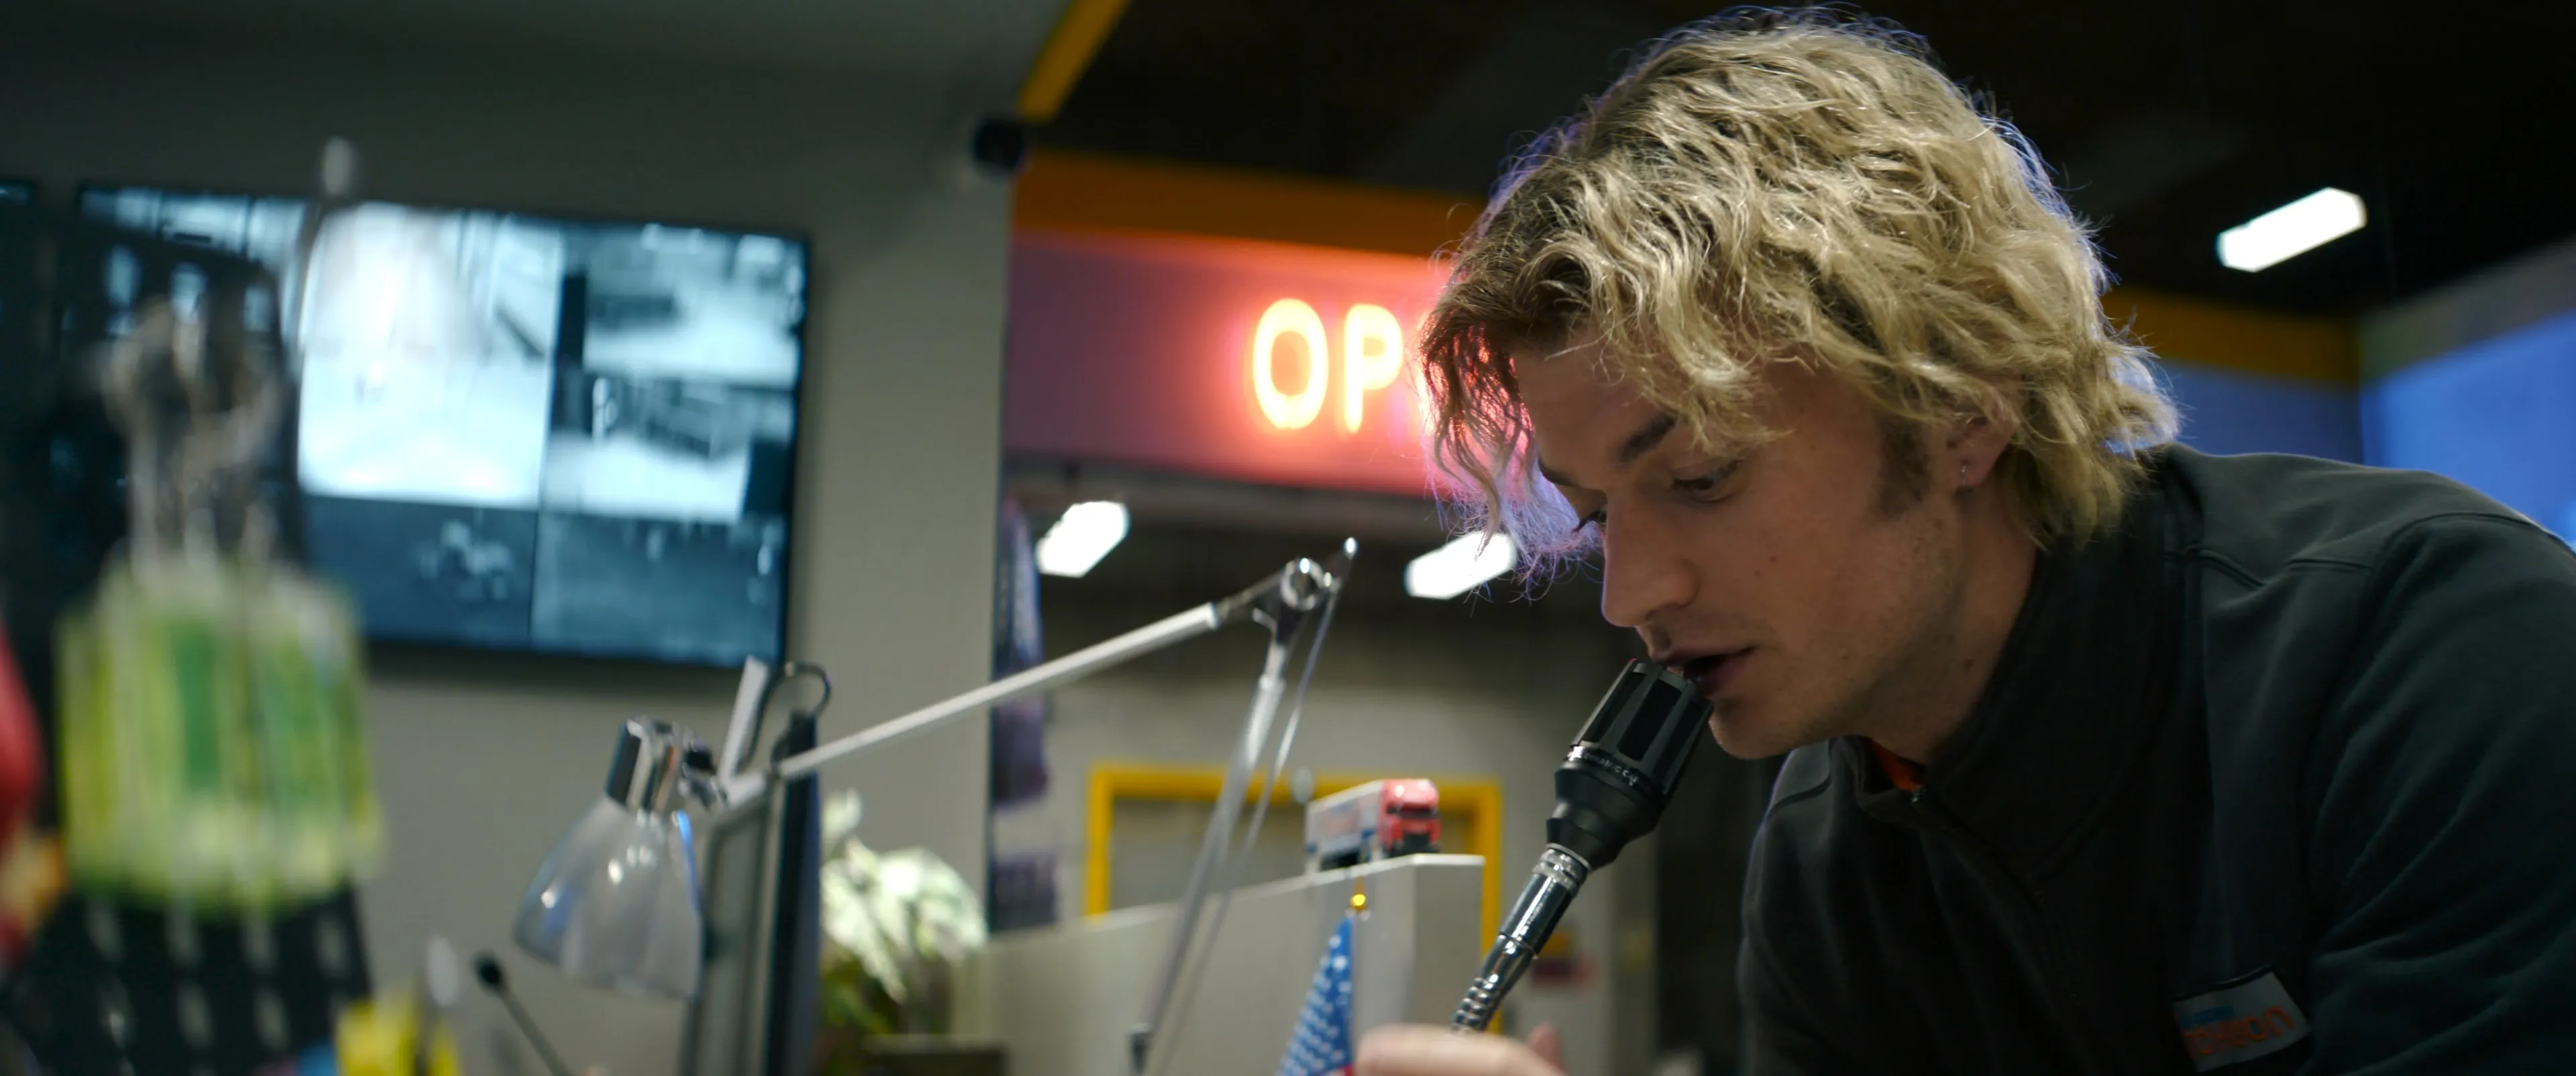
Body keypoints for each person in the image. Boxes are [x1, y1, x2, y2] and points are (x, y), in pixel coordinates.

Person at [1356, 8, 2576, 1075]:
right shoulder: (1826, 863)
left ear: (1962, 403)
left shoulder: (2429, 652)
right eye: (1594, 514)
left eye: (1701, 475)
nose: (1630, 594)